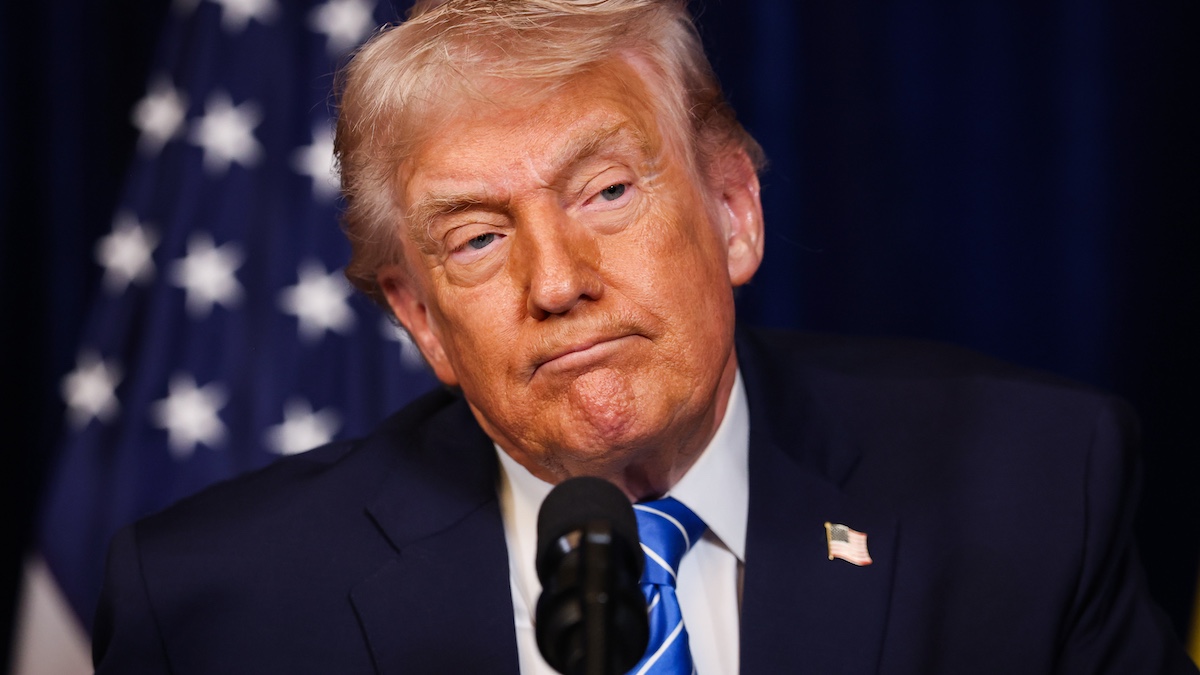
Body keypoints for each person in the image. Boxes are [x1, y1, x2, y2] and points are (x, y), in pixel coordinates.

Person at [93, 0, 1197, 673]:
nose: (558, 282)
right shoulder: (220, 607)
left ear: (732, 211)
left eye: (609, 190)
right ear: (419, 318)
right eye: (477, 240)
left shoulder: (1032, 490)